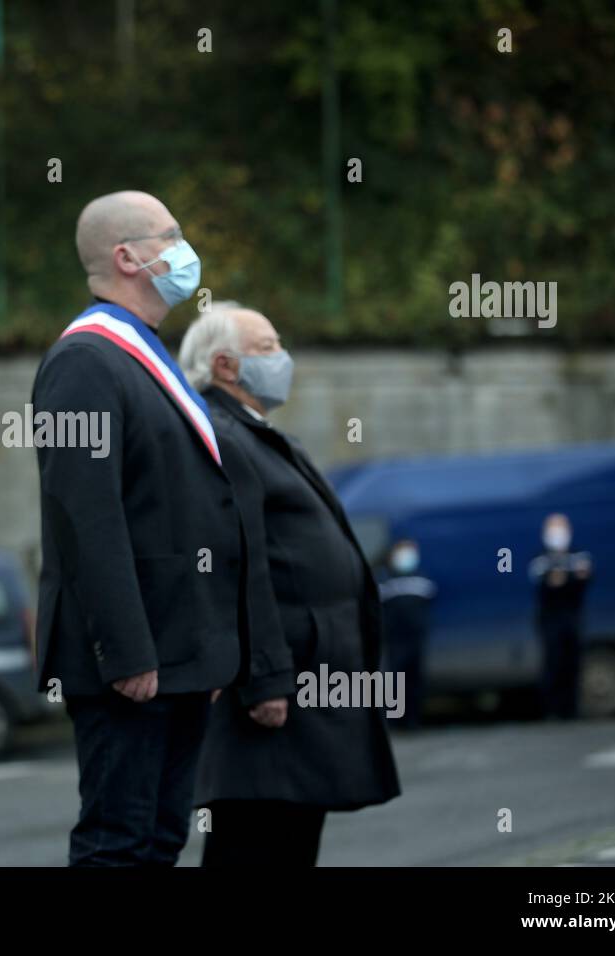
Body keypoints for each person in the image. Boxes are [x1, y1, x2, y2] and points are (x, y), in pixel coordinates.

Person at [32, 191, 245, 866]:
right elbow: (85, 518)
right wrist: (126, 651)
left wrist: (206, 646)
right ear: (127, 257)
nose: (185, 250)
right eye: (171, 236)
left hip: (178, 652)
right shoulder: (84, 361)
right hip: (133, 662)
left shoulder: (142, 356)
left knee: (157, 840)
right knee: (117, 845)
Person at [180, 301, 400, 867]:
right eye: (268, 347)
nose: (283, 358)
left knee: (292, 838)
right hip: (278, 686)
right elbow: (237, 565)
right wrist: (264, 680)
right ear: (226, 365)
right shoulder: (223, 435)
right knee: (256, 840)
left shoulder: (252, 431)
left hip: (306, 675)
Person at [528, 513, 593, 719]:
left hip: (573, 615)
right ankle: (551, 709)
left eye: (561, 527)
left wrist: (564, 579)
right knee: (552, 661)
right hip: (550, 617)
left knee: (572, 661)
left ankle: (571, 708)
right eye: (553, 528)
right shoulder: (540, 557)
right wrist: (566, 579)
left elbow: (583, 578)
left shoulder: (578, 554)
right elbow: (545, 582)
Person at [376, 539, 437, 730]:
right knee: (396, 680)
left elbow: (429, 603)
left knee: (415, 679)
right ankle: (395, 720)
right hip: (395, 639)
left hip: (416, 638)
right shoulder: (386, 580)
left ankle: (413, 719)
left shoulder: (422, 579)